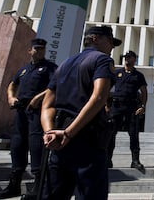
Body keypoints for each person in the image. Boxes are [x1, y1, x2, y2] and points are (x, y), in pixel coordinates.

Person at [40, 25, 121, 200]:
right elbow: (99, 97)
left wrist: (49, 132)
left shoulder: (64, 64)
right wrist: (69, 134)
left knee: (55, 194)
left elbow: (47, 104)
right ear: (95, 39)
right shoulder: (102, 60)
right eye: (110, 42)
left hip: (59, 139)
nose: (112, 47)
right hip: (86, 137)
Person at [0, 38, 58, 199]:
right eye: (36, 49)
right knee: (17, 145)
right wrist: (10, 97)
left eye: (42, 49)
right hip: (21, 112)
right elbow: (12, 84)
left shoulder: (50, 68)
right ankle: (14, 184)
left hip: (37, 112)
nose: (40, 51)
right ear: (30, 50)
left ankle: (38, 186)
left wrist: (38, 98)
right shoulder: (23, 70)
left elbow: (56, 84)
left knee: (36, 146)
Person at [106, 50, 147, 171]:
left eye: (129, 57)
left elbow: (144, 92)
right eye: (126, 57)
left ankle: (135, 161)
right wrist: (106, 105)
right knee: (111, 134)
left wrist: (143, 106)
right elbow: (107, 88)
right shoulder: (117, 73)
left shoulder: (139, 75)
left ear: (134, 59)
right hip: (116, 107)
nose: (127, 59)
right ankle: (108, 160)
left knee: (134, 135)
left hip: (132, 108)